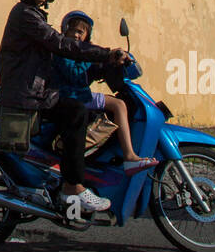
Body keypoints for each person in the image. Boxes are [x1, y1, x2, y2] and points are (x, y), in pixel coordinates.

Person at [0, 0, 127, 215]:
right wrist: (105, 53)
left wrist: (102, 64)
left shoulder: (35, 15)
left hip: (35, 93)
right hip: (24, 96)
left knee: (78, 109)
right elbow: (61, 44)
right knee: (76, 111)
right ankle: (72, 187)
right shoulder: (24, 14)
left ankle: (64, 179)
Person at [54, 11, 157, 171]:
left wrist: (111, 64)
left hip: (80, 94)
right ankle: (129, 156)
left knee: (117, 104)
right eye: (72, 30)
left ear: (87, 35)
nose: (75, 35)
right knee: (118, 105)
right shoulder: (63, 52)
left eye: (80, 32)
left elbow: (92, 71)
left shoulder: (83, 52)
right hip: (70, 96)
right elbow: (75, 73)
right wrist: (96, 59)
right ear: (65, 30)